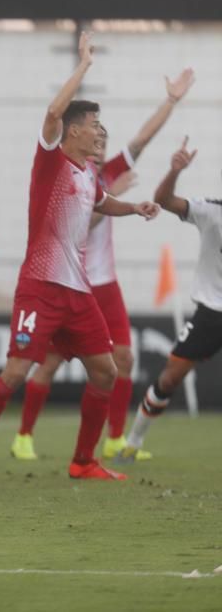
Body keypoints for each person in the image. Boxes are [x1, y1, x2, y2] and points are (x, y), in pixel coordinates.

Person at [0, 32, 160, 480]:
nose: (100, 133)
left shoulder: (89, 173)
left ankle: (83, 461)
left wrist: (133, 207)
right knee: (15, 372)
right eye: (94, 125)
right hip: (41, 288)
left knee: (106, 371)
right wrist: (85, 64)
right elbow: (53, 111)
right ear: (74, 130)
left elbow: (99, 202)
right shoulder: (50, 161)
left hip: (79, 291)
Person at [12, 68, 195, 461]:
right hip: (66, 281)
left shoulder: (103, 172)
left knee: (123, 359)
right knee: (47, 364)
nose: (99, 141)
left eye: (103, 137)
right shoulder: (69, 174)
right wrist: (115, 200)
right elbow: (86, 219)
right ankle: (23, 435)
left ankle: (114, 438)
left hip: (104, 282)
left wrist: (172, 101)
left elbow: (143, 140)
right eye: (95, 133)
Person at [117, 137, 216, 462]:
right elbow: (163, 199)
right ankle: (133, 442)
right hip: (212, 313)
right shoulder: (212, 212)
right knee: (171, 376)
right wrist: (174, 171)